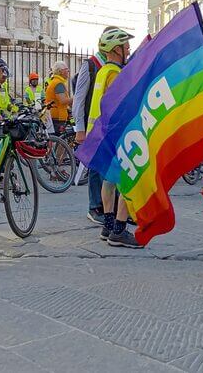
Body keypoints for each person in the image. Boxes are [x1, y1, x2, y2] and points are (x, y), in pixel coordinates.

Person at [88, 27, 142, 249]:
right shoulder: (116, 74)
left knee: (109, 181)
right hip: (117, 133)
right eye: (126, 45)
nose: (128, 49)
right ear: (116, 48)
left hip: (102, 134)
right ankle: (119, 230)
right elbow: (121, 105)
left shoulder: (103, 71)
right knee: (127, 181)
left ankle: (107, 226)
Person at [73, 29, 109, 225]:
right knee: (96, 167)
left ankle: (107, 206)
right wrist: (80, 127)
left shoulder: (116, 65)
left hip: (110, 123)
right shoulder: (90, 65)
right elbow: (79, 98)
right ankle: (95, 206)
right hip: (93, 124)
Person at [45, 61, 71, 134]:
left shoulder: (54, 81)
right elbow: (63, 100)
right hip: (58, 116)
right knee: (60, 141)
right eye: (66, 69)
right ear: (61, 71)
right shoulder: (59, 83)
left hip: (54, 114)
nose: (68, 71)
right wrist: (76, 98)